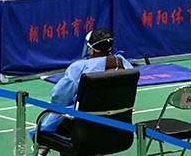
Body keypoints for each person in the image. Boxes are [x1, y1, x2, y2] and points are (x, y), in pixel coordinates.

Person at [31, 28, 133, 156]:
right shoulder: (125, 64)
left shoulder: (80, 67)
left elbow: (59, 98)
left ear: (92, 49)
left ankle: (43, 144)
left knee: (54, 117)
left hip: (83, 134)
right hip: (119, 132)